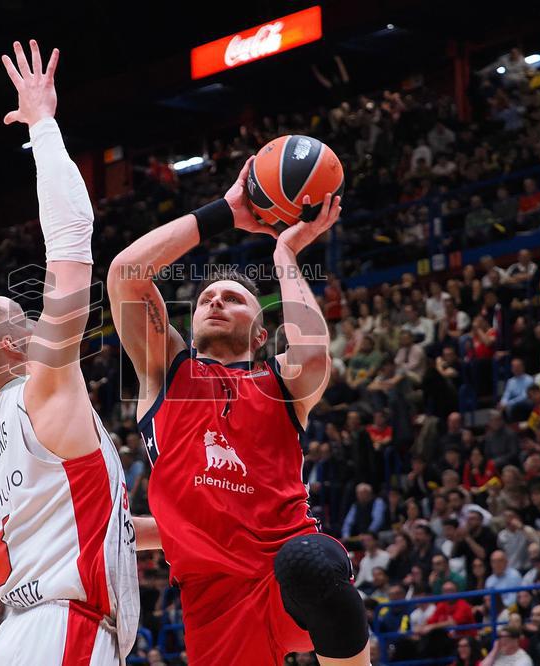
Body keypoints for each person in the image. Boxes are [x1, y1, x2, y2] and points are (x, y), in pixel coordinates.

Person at [0, 40, 155, 665]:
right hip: (64, 635)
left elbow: (83, 531)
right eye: (23, 316)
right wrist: (43, 125)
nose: (36, 320)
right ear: (9, 344)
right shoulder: (43, 388)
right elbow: (71, 238)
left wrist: (188, 532)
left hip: (23, 637)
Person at [109, 138, 369, 661]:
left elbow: (315, 356)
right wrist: (224, 212)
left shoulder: (279, 385)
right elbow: (126, 275)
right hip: (214, 601)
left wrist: (286, 253)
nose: (216, 300)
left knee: (313, 562)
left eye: (233, 298)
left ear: (259, 335)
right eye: (207, 298)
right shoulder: (169, 374)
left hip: (286, 573)